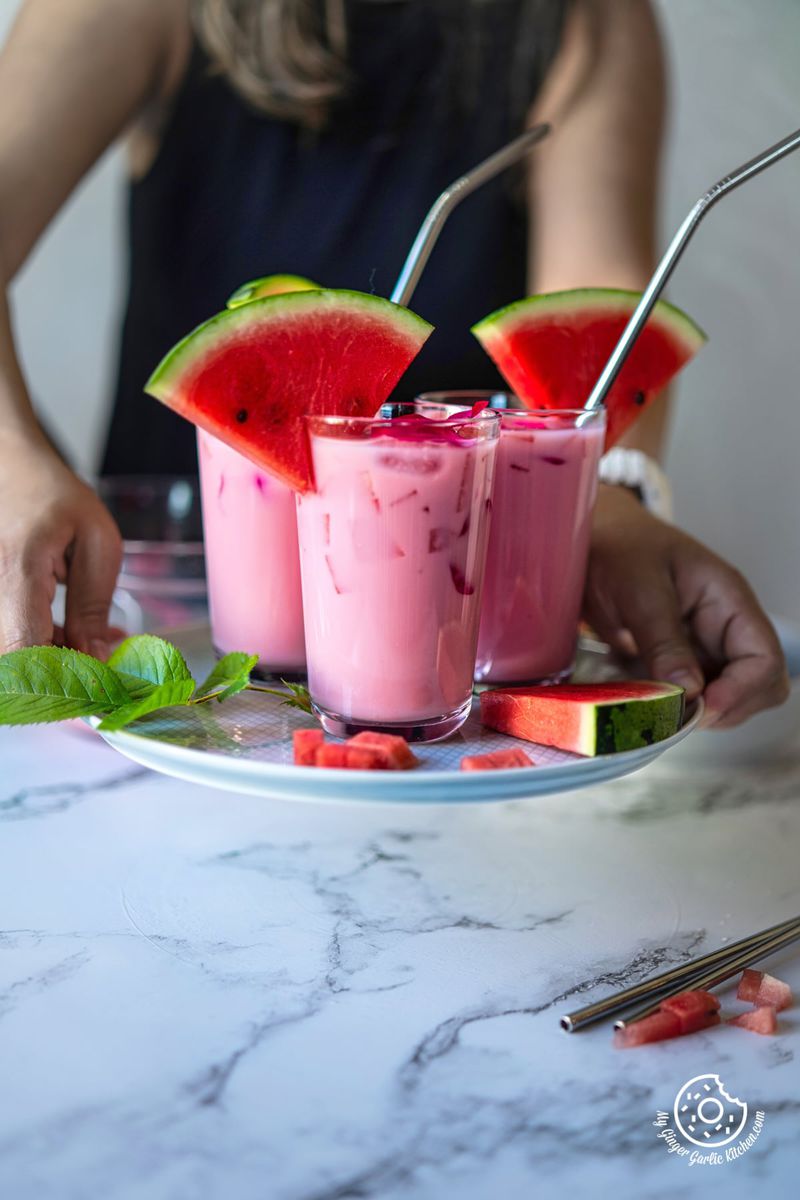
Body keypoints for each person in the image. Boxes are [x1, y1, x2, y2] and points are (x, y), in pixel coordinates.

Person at [0, 0, 789, 728]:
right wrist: (14, 460)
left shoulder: (583, 19)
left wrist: (608, 502)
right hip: (160, 633)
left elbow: (600, 338)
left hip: (446, 669)